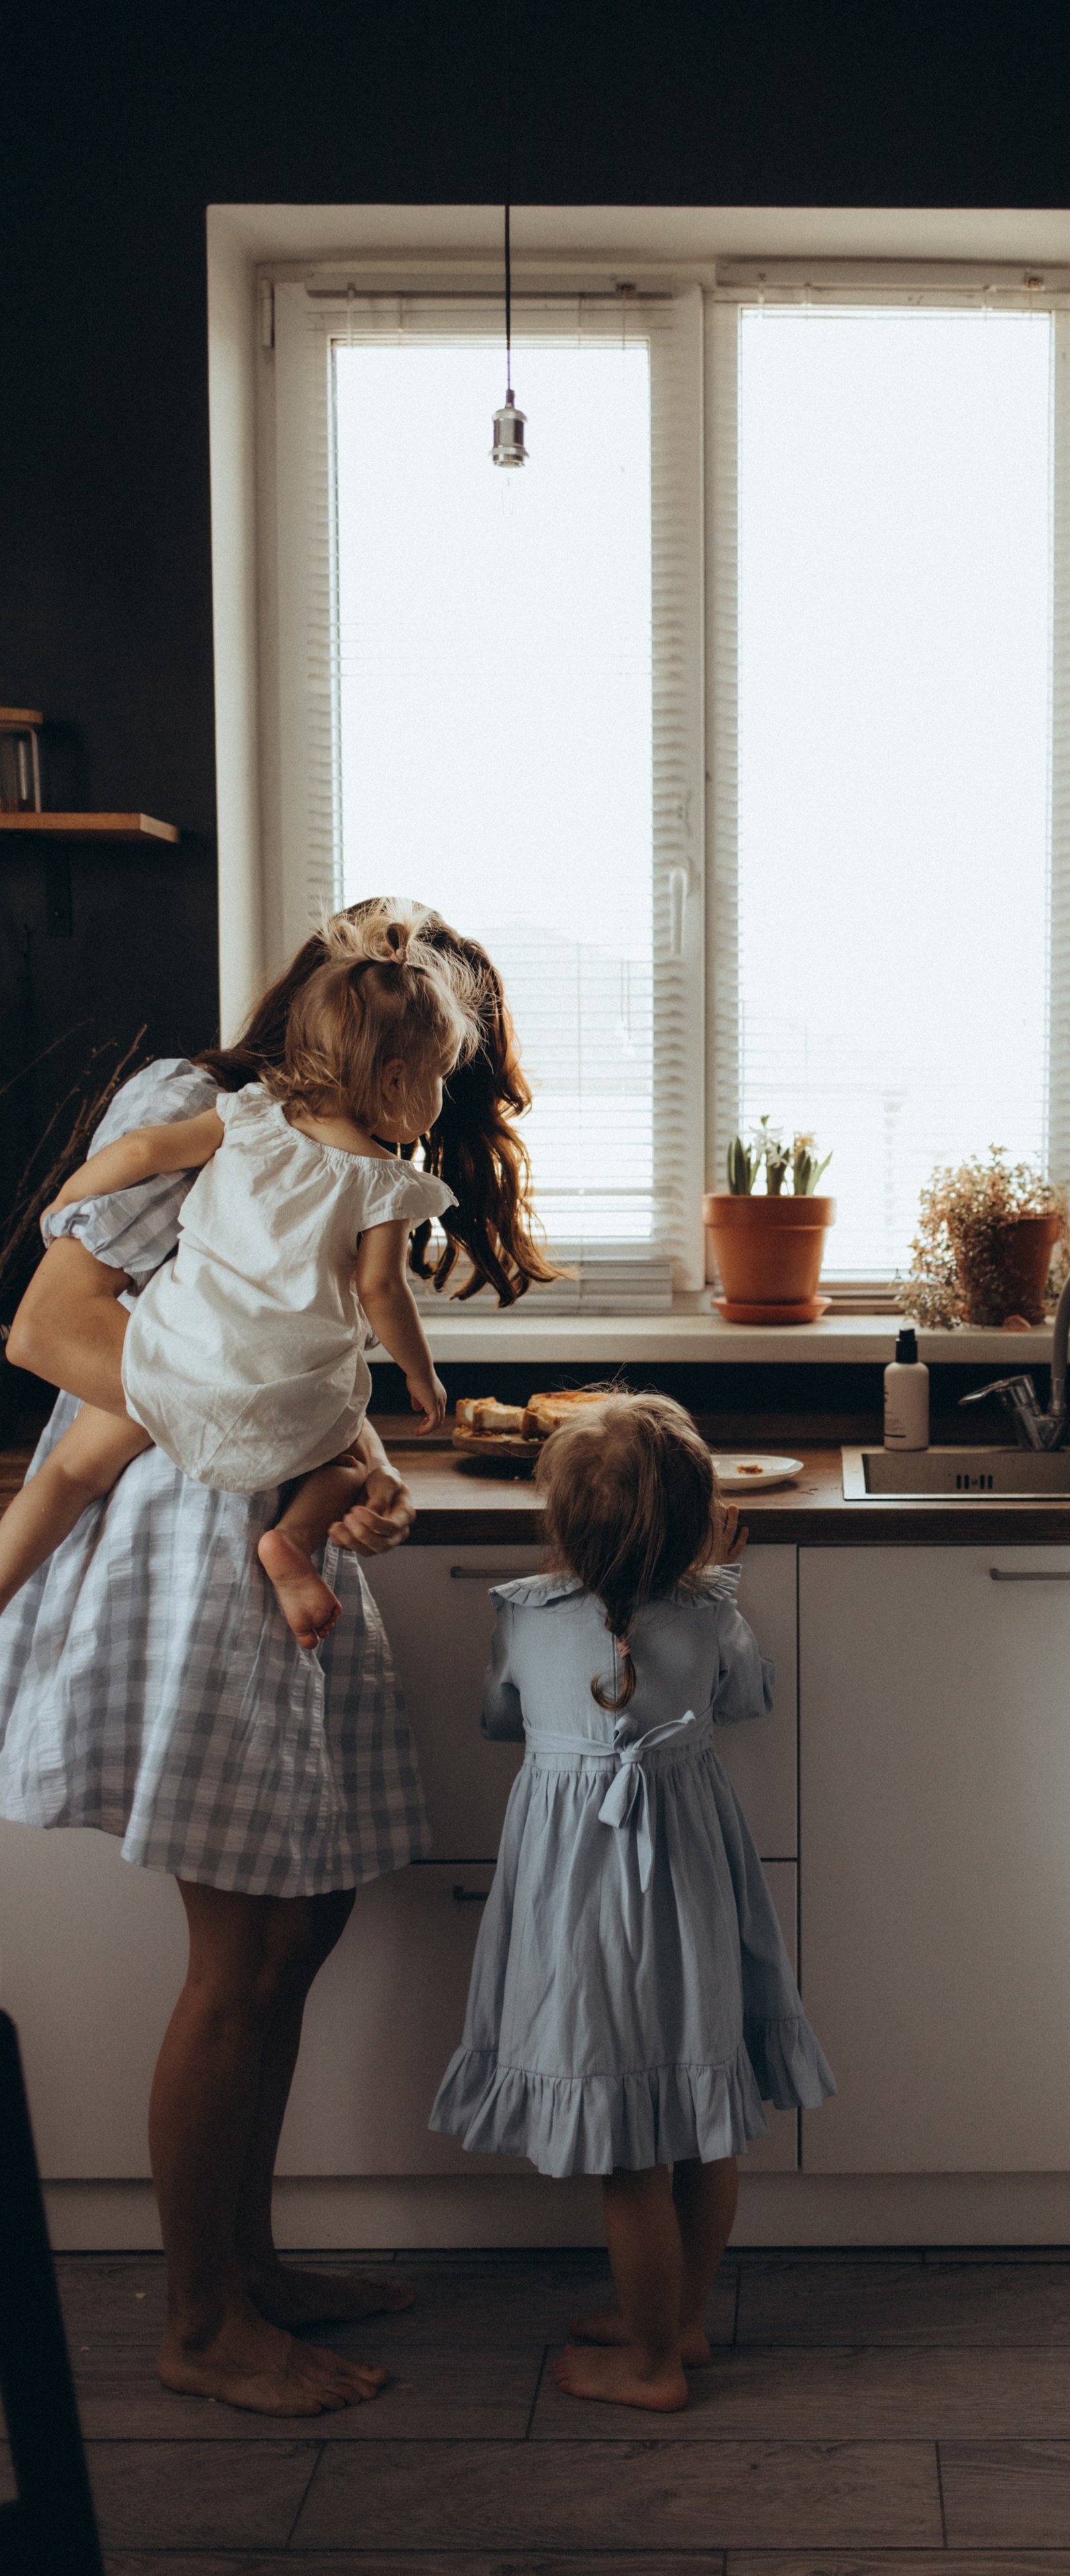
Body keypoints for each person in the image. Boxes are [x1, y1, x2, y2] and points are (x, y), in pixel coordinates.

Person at [0, 900, 554, 2418]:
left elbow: (311, 1340)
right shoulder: (199, 1104)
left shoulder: (341, 1143)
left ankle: (245, 2265)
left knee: (293, 1927)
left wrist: (340, 1463)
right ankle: (198, 2320)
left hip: (257, 1521)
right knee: (238, 1953)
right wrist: (269, 1445)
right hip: (191, 1543)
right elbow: (51, 1328)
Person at [429, 1392, 835, 2412]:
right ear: (699, 1522)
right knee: (700, 2121)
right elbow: (746, 1699)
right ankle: (678, 2320)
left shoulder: (524, 1614)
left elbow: (496, 1717)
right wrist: (717, 1581)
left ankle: (650, 2364)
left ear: (560, 1525)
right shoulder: (710, 1613)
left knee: (627, 2153)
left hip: (583, 1901)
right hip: (694, 1889)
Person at [0, 909, 479, 1647]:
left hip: (180, 1357)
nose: (444, 1100)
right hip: (231, 1457)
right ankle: (292, 1541)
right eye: (441, 1077)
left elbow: (142, 1152)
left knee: (65, 1475)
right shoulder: (379, 1180)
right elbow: (382, 1295)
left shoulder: (246, 1119)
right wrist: (422, 1377)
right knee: (340, 1471)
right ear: (392, 1078)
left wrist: (69, 1195)